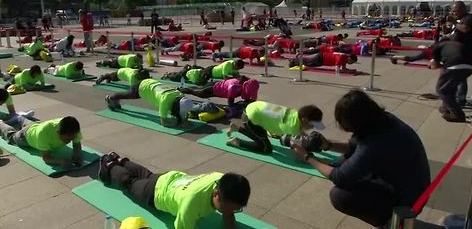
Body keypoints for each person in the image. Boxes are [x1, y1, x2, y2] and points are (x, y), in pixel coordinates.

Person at [290, 89, 430, 228]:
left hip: (408, 201)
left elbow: (339, 177)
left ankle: (388, 222)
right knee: (341, 161)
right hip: (412, 183)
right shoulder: (381, 120)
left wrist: (307, 157)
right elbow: (354, 146)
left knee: (340, 196)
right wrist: (328, 145)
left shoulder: (373, 144)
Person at [97, 152, 250, 229]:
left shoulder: (221, 179)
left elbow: (229, 216)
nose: (230, 213)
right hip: (155, 194)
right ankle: (109, 164)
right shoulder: (191, 206)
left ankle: (121, 161)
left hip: (170, 178)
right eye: (229, 209)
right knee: (130, 183)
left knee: (146, 174)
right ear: (216, 194)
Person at [226, 101, 325, 154]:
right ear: (304, 120)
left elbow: (301, 132)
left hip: (255, 107)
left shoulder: (296, 114)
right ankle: (237, 142)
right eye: (312, 125)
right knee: (266, 148)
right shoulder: (292, 127)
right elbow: (295, 145)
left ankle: (236, 128)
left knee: (261, 135)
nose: (312, 128)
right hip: (251, 118)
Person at [0, 116, 83, 168]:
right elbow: (46, 157)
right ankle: (1, 123)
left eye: (72, 138)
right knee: (10, 136)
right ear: (58, 132)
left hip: (36, 126)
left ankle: (19, 118)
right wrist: (60, 161)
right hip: (25, 137)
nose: (69, 141)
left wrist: (77, 155)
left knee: (30, 124)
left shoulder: (72, 128)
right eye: (66, 139)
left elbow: (77, 144)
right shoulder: (44, 135)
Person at [105, 78, 195, 127]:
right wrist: (179, 124)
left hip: (152, 83)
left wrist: (185, 120)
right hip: (143, 87)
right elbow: (164, 122)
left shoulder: (181, 96)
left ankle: (113, 98)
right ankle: (111, 98)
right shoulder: (165, 101)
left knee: (129, 95)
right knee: (129, 95)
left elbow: (184, 112)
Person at [431, 40, 472, 122]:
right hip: (470, 66)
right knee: (451, 87)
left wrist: (434, 64)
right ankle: (446, 108)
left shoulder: (437, 47)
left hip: (455, 65)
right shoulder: (455, 44)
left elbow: (435, 65)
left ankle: (457, 115)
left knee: (442, 90)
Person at [179, 76, 259, 106]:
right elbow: (230, 104)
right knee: (194, 92)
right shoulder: (234, 88)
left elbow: (249, 97)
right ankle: (180, 90)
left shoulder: (245, 83)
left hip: (215, 85)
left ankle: (183, 88)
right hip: (212, 89)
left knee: (197, 89)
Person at [288, 52, 358, 71]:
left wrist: (349, 70)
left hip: (322, 62)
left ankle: (295, 61)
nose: (351, 63)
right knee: (307, 61)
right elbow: (337, 67)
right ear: (349, 58)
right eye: (351, 62)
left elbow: (343, 68)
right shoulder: (342, 57)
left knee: (309, 64)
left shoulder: (345, 60)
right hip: (321, 57)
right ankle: (293, 61)